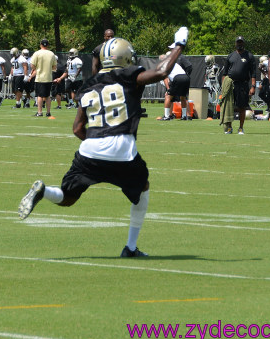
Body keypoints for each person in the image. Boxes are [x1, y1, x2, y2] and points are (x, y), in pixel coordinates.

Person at [17, 27, 189, 258]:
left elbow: (77, 128)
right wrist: (179, 45)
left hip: (90, 150)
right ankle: (130, 247)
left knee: (67, 198)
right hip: (121, 149)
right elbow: (161, 72)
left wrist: (98, 141)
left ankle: (43, 191)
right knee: (143, 188)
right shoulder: (128, 75)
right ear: (124, 57)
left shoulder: (89, 84)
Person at [218, 36, 255, 135]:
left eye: (241, 43)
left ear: (244, 43)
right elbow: (225, 73)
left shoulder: (249, 56)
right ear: (235, 44)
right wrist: (223, 87)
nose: (240, 44)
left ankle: (240, 128)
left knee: (242, 107)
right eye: (238, 43)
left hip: (243, 84)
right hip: (230, 84)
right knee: (229, 106)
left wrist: (253, 86)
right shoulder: (230, 56)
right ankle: (229, 127)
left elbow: (253, 73)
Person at [161, 51, 193, 121]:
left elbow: (165, 78)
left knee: (168, 96)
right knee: (183, 97)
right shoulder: (176, 64)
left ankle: (166, 116)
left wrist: (168, 89)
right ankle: (184, 116)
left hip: (178, 78)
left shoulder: (165, 65)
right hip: (186, 78)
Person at [29, 39, 57, 118]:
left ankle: (40, 112)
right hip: (48, 77)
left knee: (40, 96)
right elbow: (54, 67)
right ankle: (48, 112)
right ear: (47, 45)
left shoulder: (37, 53)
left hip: (40, 77)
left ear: (40, 44)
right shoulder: (51, 54)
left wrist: (37, 69)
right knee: (47, 95)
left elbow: (32, 65)